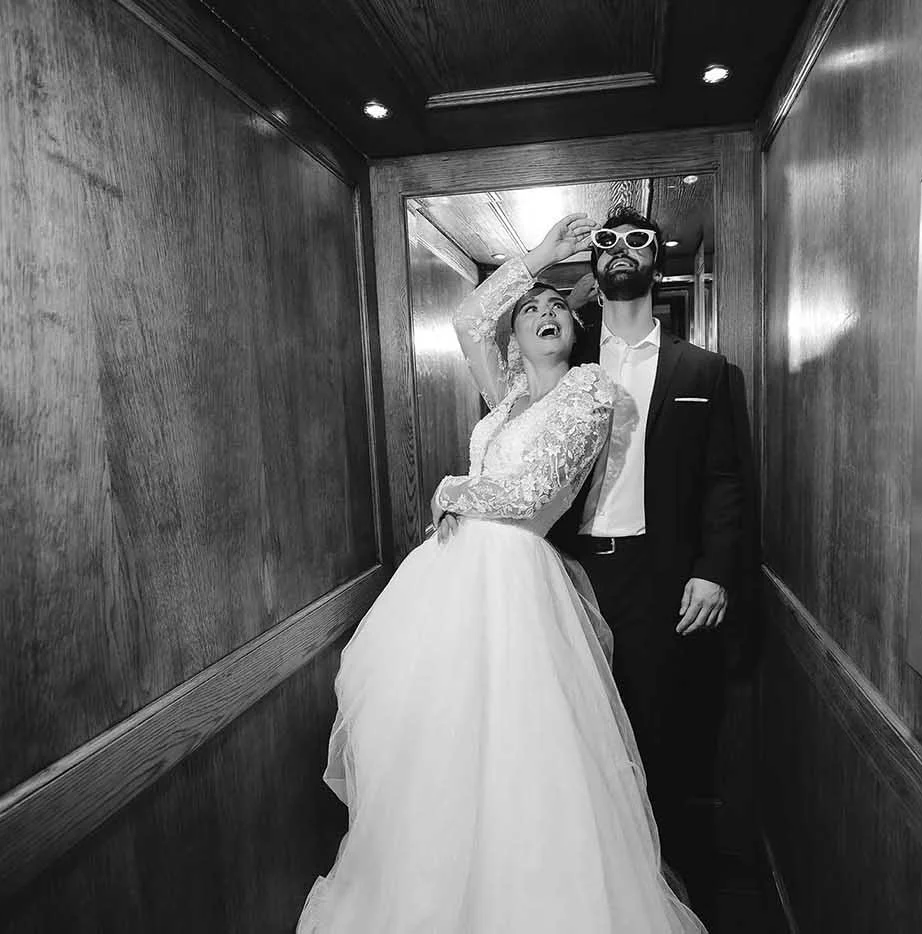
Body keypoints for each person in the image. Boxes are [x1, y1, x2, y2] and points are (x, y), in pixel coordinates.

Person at [296, 214, 705, 934]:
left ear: (575, 331)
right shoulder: (504, 398)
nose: (546, 313)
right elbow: (467, 318)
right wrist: (539, 256)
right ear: (514, 337)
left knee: (522, 747)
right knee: (441, 741)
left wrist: (453, 491)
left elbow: (534, 495)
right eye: (531, 309)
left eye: (558, 309)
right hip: (450, 586)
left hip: (518, 582)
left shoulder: (591, 391)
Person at [553, 205, 746, 925]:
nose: (621, 250)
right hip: (569, 573)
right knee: (576, 732)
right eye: (608, 242)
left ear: (655, 261)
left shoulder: (706, 370)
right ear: (595, 265)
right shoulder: (565, 364)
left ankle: (661, 897)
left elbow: (726, 479)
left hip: (662, 578)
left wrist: (715, 568)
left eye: (637, 241)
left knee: (659, 735)